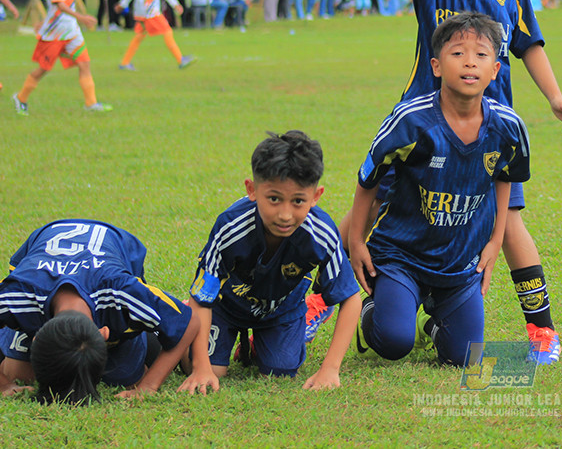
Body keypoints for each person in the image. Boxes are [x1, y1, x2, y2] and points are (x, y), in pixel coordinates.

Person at [315, 0, 562, 365]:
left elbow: (529, 43)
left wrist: (555, 96)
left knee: (508, 227)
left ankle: (541, 335)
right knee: (367, 209)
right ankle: (318, 299)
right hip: (424, 115)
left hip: (487, 125)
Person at [349, 12, 530, 365]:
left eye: (481, 55)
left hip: (460, 261)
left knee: (464, 359)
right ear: (436, 65)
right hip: (401, 254)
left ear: (495, 70)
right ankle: (374, 314)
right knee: (394, 342)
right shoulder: (410, 120)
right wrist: (356, 241)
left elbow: (505, 176)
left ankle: (431, 323)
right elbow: (368, 178)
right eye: (458, 53)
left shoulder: (508, 126)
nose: (469, 62)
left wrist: (494, 241)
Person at [179, 131, 361, 393]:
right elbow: (202, 296)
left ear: (315, 196)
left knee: (280, 372)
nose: (285, 214)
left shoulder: (321, 232)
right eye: (274, 199)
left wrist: (330, 369)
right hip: (225, 306)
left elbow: (351, 298)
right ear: (252, 190)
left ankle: (306, 315)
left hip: (281, 308)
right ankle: (189, 319)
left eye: (298, 201)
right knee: (209, 371)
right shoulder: (230, 226)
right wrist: (201, 368)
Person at [0, 218, 199, 402]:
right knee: (17, 373)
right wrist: (3, 385)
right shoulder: (18, 293)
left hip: (116, 244)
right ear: (35, 337)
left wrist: (148, 386)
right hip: (44, 248)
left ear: (105, 333)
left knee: (125, 378)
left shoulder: (121, 291)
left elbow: (190, 321)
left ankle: (148, 331)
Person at [12, 0, 112, 115]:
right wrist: (81, 17)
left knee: (84, 63)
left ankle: (91, 104)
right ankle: (20, 98)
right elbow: (59, 5)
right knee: (43, 69)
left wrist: (73, 19)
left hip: (71, 31)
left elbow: (62, 6)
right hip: (54, 34)